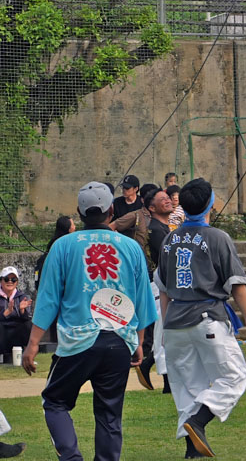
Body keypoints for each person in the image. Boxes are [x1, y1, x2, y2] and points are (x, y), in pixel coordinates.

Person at [22, 180, 156, 461]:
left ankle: (71, 457)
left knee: (55, 401)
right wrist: (139, 343)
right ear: (110, 210)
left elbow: (48, 299)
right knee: (109, 413)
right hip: (119, 340)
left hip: (77, 341)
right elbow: (143, 300)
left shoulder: (62, 246)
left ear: (79, 213)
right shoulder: (130, 248)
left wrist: (33, 344)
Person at [155, 178, 246, 459]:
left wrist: (165, 326)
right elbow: (237, 283)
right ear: (210, 204)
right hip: (207, 319)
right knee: (235, 377)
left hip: (175, 322)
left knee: (189, 388)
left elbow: (163, 290)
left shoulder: (169, 239)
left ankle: (193, 451)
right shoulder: (217, 237)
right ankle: (198, 423)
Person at [137, 189, 173, 394]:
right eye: (162, 200)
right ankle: (167, 384)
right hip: (159, 287)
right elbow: (166, 261)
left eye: (168, 198)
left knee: (165, 334)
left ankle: (148, 364)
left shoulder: (164, 228)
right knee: (162, 335)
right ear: (152, 207)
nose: (167, 200)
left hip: (164, 287)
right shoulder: (157, 231)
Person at [34, 216, 75, 289]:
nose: (75, 227)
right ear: (69, 229)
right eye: (73, 225)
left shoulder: (53, 244)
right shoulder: (65, 247)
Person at [0, 267, 32, 359]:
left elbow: (27, 318)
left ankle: (27, 355)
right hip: (2, 331)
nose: (10, 282)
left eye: (13, 279)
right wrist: (6, 313)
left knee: (28, 324)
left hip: (16, 332)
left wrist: (22, 311)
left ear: (17, 282)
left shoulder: (23, 297)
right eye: (6, 279)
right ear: (1, 281)